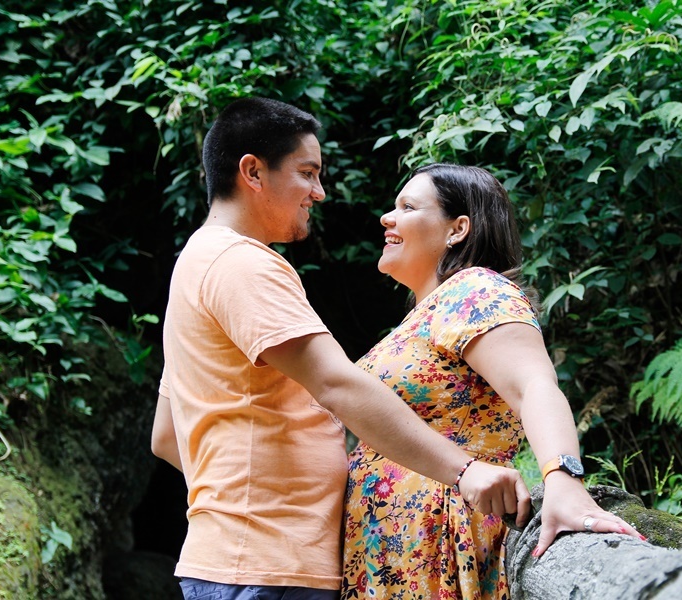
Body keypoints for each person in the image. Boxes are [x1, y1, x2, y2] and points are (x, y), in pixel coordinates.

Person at [150, 98, 533, 600]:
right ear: (253, 172)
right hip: (270, 567)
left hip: (241, 559)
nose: (320, 192)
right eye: (308, 173)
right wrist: (464, 470)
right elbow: (335, 382)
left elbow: (165, 436)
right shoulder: (242, 264)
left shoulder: (196, 265)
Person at [341, 164, 644, 598]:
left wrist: (564, 480)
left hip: (437, 537)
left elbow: (533, 386)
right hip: (388, 545)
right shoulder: (424, 314)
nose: (387, 218)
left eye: (407, 207)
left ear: (458, 228)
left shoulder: (475, 289)